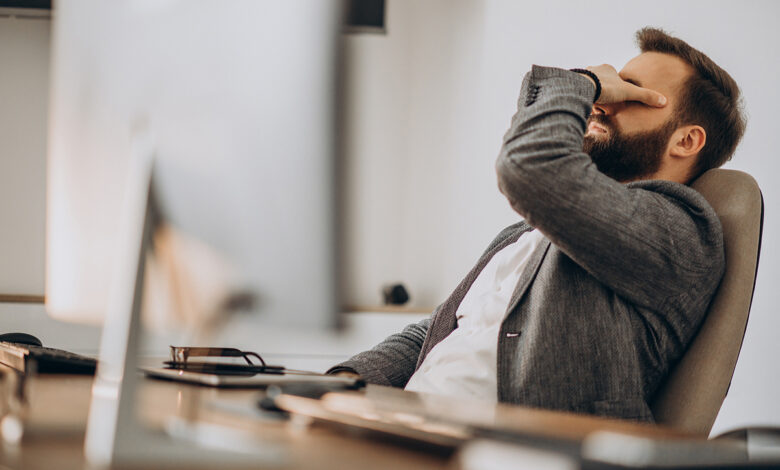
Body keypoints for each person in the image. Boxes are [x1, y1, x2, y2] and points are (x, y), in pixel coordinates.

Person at [329, 27, 746, 422]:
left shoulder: (681, 232)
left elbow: (530, 168)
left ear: (686, 140)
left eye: (633, 95)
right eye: (614, 85)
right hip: (410, 427)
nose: (602, 102)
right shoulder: (526, 235)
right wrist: (339, 384)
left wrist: (581, 82)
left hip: (516, 450)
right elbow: (440, 332)